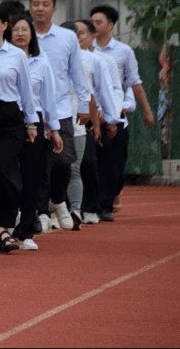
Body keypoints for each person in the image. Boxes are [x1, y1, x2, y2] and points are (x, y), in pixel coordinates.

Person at [0, 5, 38, 254]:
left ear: (4, 25)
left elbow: (26, 91)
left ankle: (5, 227)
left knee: (4, 170)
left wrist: (30, 123)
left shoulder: (16, 55)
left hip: (10, 116)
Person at [29, 0, 90, 232]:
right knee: (38, 163)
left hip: (62, 109)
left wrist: (84, 104)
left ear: (55, 9)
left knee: (64, 161)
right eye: (36, 4)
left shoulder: (67, 37)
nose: (40, 8)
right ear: (30, 8)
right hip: (32, 110)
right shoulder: (22, 36)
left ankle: (58, 199)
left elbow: (77, 71)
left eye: (45, 4)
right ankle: (42, 211)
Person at [90, 4, 155, 221]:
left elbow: (134, 82)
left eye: (98, 22)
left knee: (116, 168)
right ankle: (101, 207)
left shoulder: (123, 51)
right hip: (90, 114)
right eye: (92, 22)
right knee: (95, 162)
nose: (94, 26)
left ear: (111, 25)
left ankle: (114, 191)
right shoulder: (85, 49)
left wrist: (146, 110)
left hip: (115, 115)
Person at [8, 14, 61, 250]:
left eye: (25, 30)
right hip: (6, 119)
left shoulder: (42, 62)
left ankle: (27, 231)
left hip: (34, 121)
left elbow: (50, 98)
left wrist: (54, 130)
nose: (20, 33)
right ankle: (4, 226)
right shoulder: (2, 58)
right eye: (15, 29)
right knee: (5, 174)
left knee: (31, 175)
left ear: (32, 35)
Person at [67, 19, 122, 224]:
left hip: (88, 118)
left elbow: (101, 91)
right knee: (60, 166)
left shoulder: (94, 60)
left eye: (80, 33)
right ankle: (59, 208)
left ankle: (89, 207)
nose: (78, 37)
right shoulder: (49, 59)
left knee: (86, 164)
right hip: (58, 119)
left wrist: (108, 119)